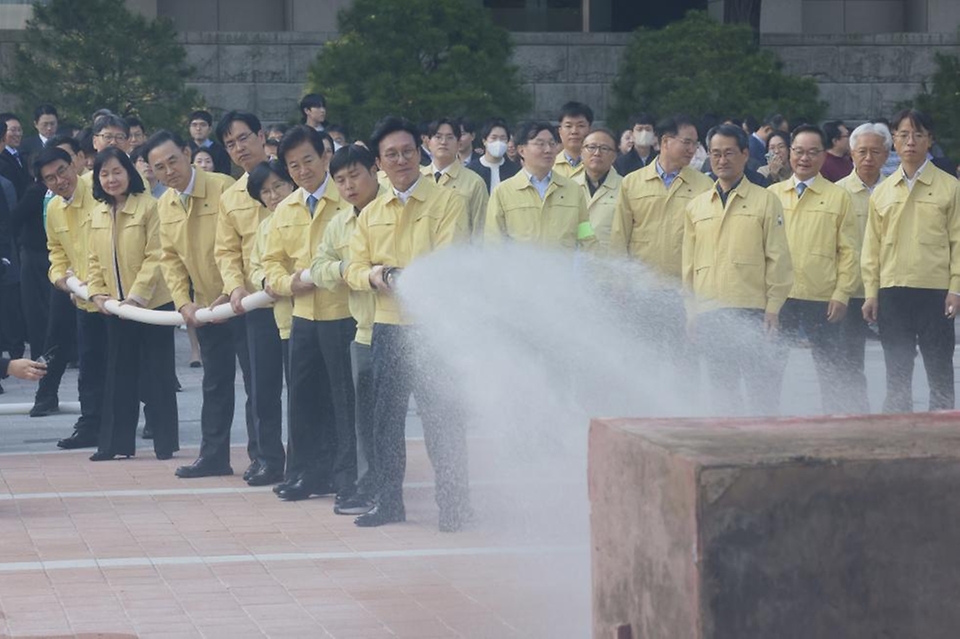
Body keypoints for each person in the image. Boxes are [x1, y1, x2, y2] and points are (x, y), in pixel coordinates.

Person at [344, 115, 471, 531]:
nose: (401, 160)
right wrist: (374, 276)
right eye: (390, 155)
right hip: (388, 327)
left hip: (434, 329)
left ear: (420, 151)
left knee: (442, 421)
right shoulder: (370, 212)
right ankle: (388, 503)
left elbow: (451, 259)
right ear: (379, 164)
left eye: (407, 152)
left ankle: (454, 506)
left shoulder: (448, 201)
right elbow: (355, 266)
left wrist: (406, 277)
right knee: (386, 422)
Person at [261, 125, 355, 503]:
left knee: (343, 400)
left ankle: (346, 476)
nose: (302, 170)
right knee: (302, 398)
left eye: (308, 160)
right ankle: (306, 473)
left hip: (343, 313)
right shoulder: (286, 209)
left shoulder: (347, 199)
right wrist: (287, 284)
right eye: (293, 165)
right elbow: (270, 262)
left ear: (326, 156)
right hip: (302, 315)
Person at [682, 123, 793, 416]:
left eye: (729, 153)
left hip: (753, 310)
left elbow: (778, 258)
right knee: (722, 392)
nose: (722, 160)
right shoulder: (696, 207)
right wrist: (692, 311)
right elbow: (689, 266)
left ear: (745, 154)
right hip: (711, 313)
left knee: (761, 393)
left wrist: (773, 308)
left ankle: (763, 451)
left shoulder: (766, 200)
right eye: (716, 153)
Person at [144, 130, 237, 477]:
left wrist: (233, 290)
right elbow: (169, 260)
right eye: (159, 167)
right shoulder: (164, 203)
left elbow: (239, 245)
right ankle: (214, 457)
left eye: (173, 161)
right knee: (214, 384)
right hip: (206, 309)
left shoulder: (222, 186)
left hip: (242, 302)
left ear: (187, 153)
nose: (169, 171)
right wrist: (184, 304)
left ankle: (267, 459)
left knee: (259, 388)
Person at [861, 109, 960, 413]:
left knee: (940, 371)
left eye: (918, 134)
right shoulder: (883, 192)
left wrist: (955, 289)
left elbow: (958, 242)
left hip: (935, 293)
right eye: (903, 135)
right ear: (894, 141)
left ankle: (944, 441)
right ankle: (898, 440)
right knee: (897, 374)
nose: (911, 142)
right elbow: (871, 247)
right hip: (893, 292)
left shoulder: (950, 187)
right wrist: (871, 293)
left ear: (930, 140)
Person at [86, 147, 178, 461]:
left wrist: (137, 296)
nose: (111, 179)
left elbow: (157, 255)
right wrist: (98, 293)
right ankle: (115, 444)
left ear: (129, 173)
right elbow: (93, 259)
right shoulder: (97, 211)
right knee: (118, 374)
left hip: (152, 305)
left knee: (158, 375)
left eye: (117, 171)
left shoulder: (149, 207)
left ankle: (165, 444)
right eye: (104, 173)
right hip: (116, 307)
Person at [609, 115, 714, 382]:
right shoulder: (632, 182)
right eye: (687, 142)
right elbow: (620, 235)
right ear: (666, 141)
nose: (693, 149)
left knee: (683, 363)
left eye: (695, 144)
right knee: (642, 361)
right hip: (641, 289)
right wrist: (620, 282)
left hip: (683, 292)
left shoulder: (703, 185)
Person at [214, 110, 286, 487]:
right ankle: (266, 457)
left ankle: (314, 457)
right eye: (230, 144)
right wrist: (235, 286)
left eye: (243, 138)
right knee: (260, 386)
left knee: (308, 384)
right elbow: (226, 251)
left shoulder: (290, 177)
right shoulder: (231, 197)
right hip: (255, 304)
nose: (239, 148)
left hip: (301, 298)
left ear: (261, 136)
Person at [768, 124, 859, 413]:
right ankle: (763, 425)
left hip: (823, 298)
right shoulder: (771, 195)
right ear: (788, 154)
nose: (804, 158)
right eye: (798, 151)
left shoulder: (838, 197)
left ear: (823, 156)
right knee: (769, 369)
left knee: (830, 370)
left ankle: (831, 428)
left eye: (811, 152)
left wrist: (842, 294)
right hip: (779, 299)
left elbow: (849, 252)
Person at [312, 144, 382, 516]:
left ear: (375, 170)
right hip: (365, 332)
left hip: (406, 327)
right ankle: (369, 487)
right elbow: (320, 267)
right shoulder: (339, 223)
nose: (349, 185)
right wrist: (346, 271)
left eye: (355, 175)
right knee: (366, 419)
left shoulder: (395, 211)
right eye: (340, 180)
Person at [36, 146, 108, 448]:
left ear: (75, 163)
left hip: (120, 295)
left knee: (133, 363)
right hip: (83, 299)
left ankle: (151, 422)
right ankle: (91, 425)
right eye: (50, 178)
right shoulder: (52, 207)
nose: (59, 181)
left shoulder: (102, 187)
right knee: (90, 365)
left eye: (62, 171)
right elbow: (56, 252)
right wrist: (60, 278)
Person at [836, 121, 892, 414]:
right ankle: (856, 415)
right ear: (851, 154)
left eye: (875, 151)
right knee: (849, 361)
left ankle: (896, 416)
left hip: (891, 289)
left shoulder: (896, 190)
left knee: (898, 361)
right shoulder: (836, 193)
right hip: (852, 290)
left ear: (886, 155)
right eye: (862, 152)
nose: (868, 158)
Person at [485, 121, 596, 251]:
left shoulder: (573, 190)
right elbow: (493, 242)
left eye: (552, 144)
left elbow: (585, 235)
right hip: (519, 270)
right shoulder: (503, 192)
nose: (548, 150)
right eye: (540, 144)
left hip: (563, 270)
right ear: (521, 150)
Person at [422, 118, 489, 239]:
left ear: (458, 144)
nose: (443, 142)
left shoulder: (475, 183)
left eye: (450, 137)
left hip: (458, 256)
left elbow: (480, 232)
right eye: (438, 137)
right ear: (428, 142)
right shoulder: (417, 179)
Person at [574, 128, 622, 250]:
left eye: (604, 149)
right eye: (591, 147)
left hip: (609, 263)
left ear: (614, 156)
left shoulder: (625, 188)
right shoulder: (569, 186)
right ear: (581, 152)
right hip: (571, 263)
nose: (597, 153)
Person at [466, 117, 520, 194]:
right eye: (493, 138)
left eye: (503, 138)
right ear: (484, 141)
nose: (498, 142)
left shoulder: (515, 170)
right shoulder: (471, 170)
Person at [552, 101, 593, 179]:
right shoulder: (549, 166)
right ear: (560, 131)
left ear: (590, 130)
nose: (574, 131)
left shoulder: (599, 164)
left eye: (580, 126)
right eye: (568, 126)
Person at [187, 110, 231, 175]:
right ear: (189, 128)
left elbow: (225, 174)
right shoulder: (184, 149)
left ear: (210, 129)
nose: (198, 128)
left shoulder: (221, 151)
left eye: (203, 125)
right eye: (194, 125)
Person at [0, 114, 29, 200]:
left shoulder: (22, 155)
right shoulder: (2, 158)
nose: (17, 134)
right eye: (13, 130)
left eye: (19, 130)